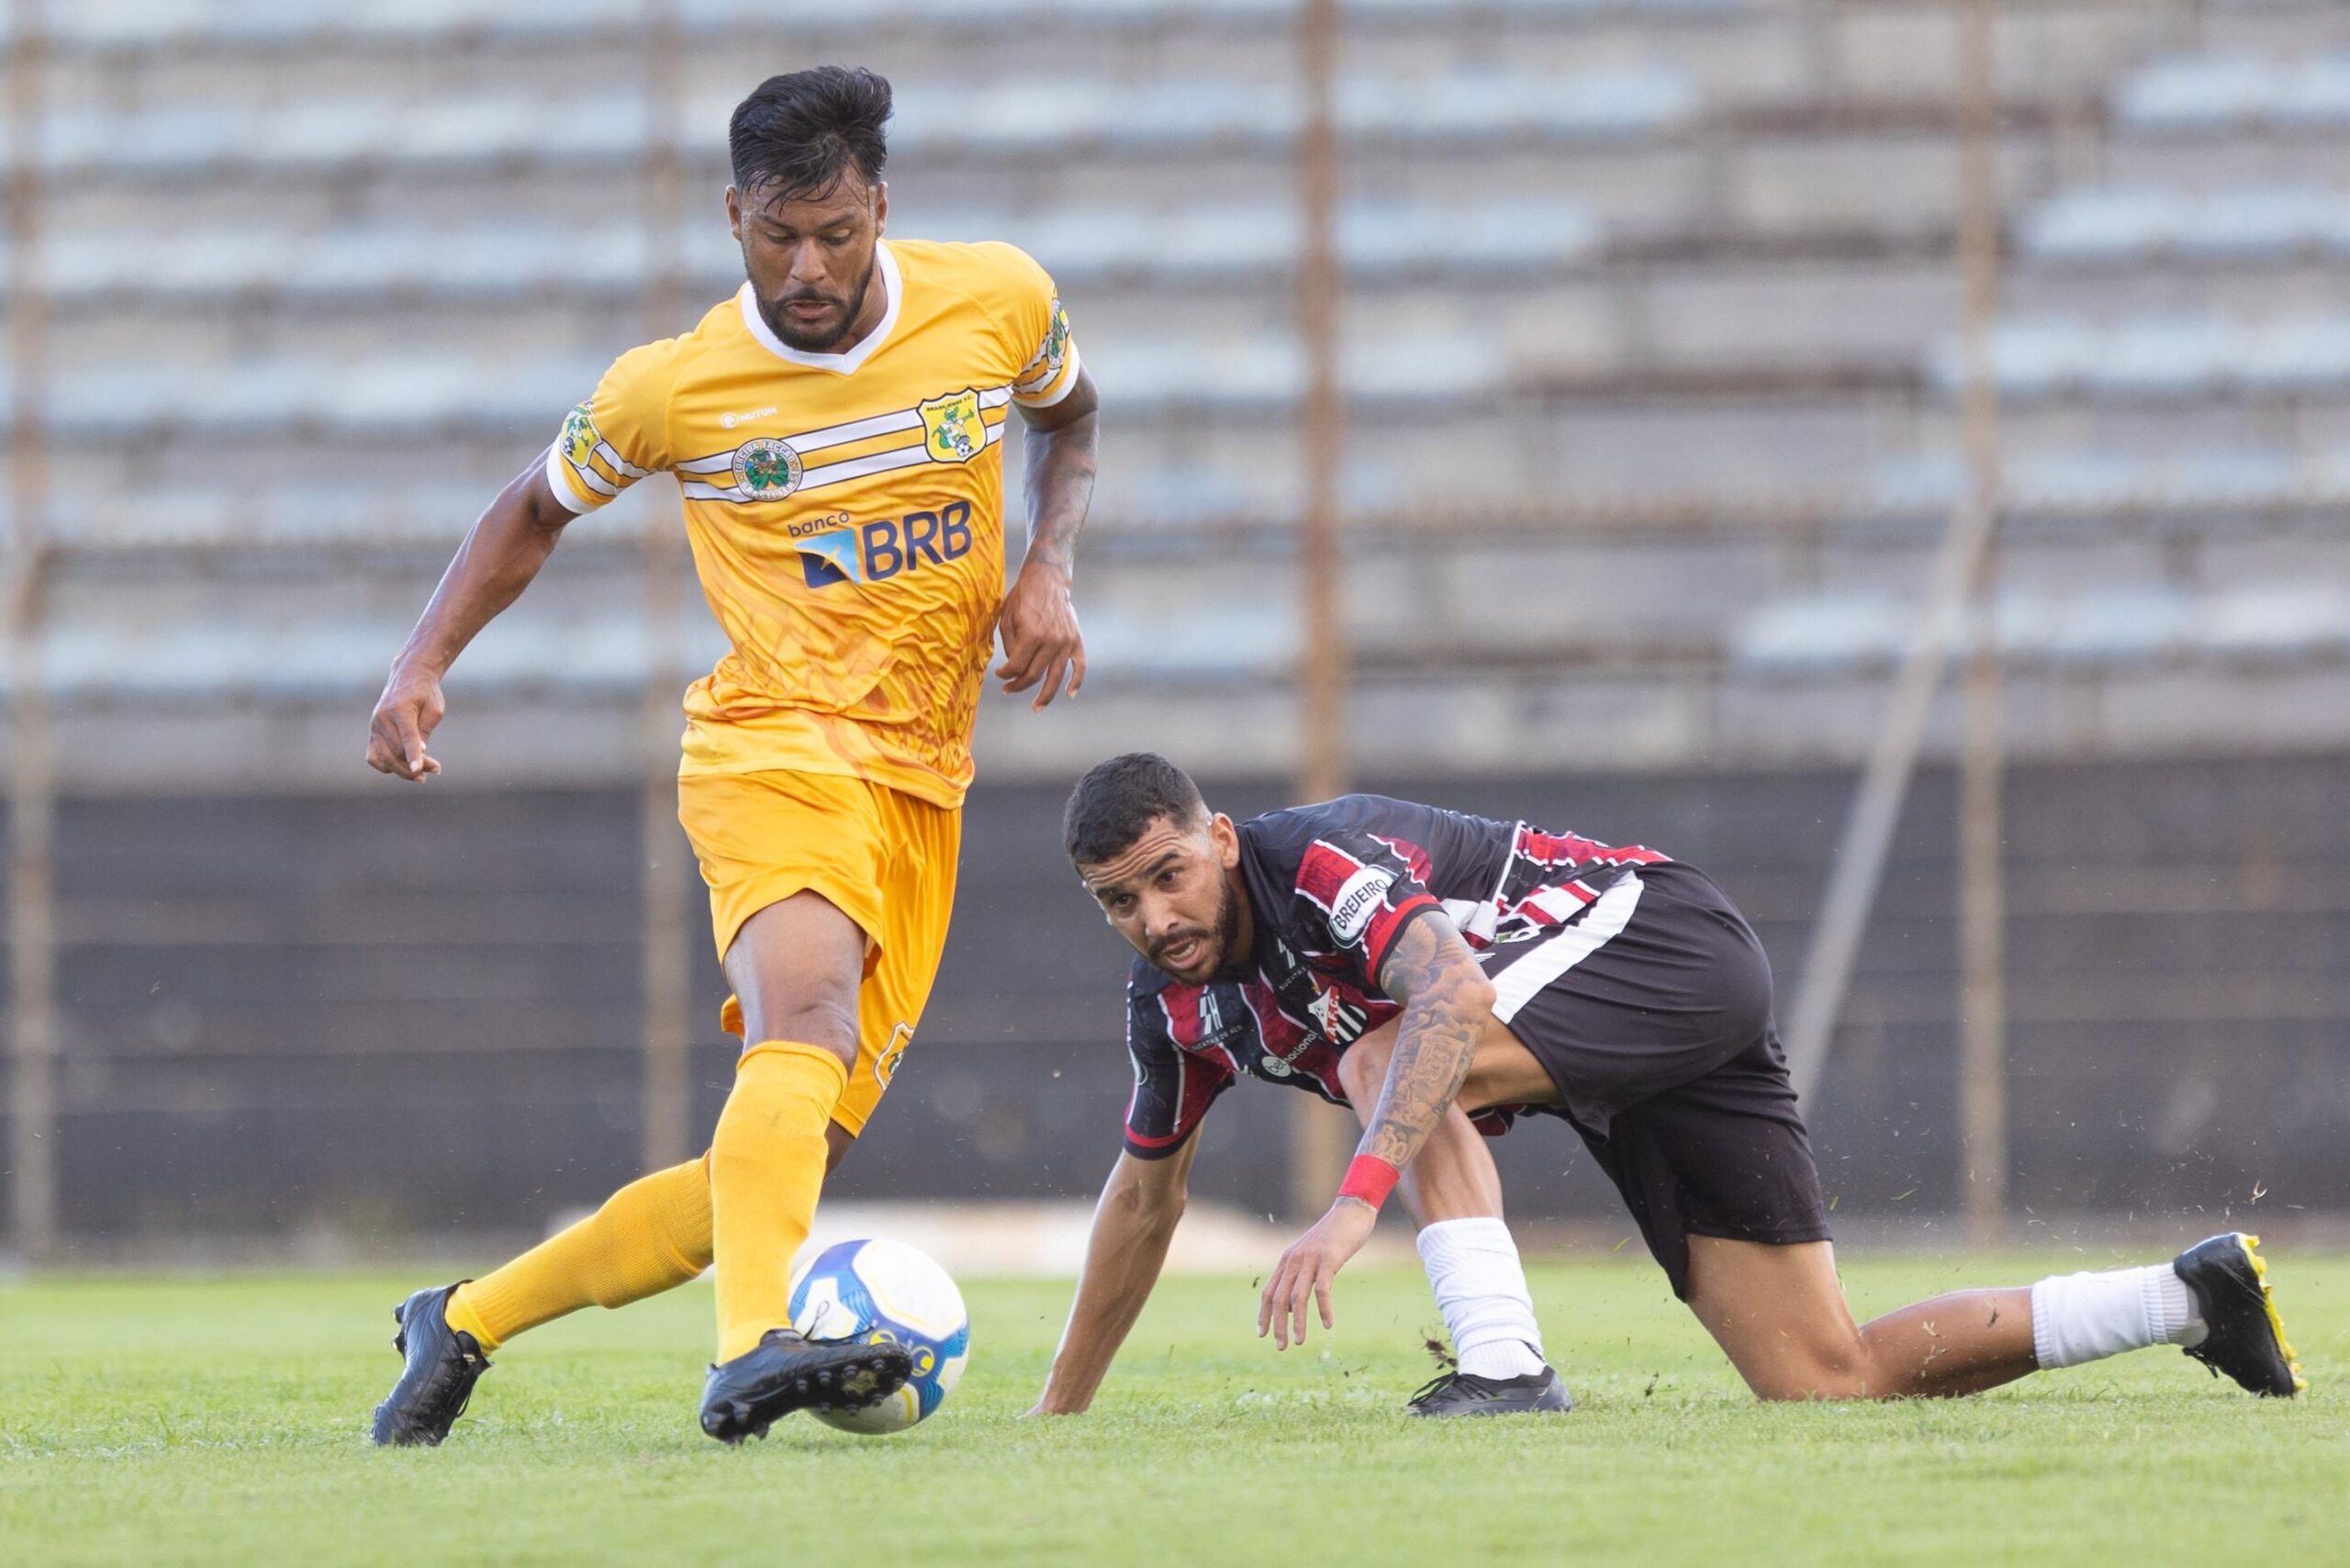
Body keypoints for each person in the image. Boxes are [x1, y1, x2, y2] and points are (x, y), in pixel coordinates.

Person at [365, 66, 1099, 1446]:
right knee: (801, 1029)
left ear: (881, 206)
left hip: (923, 780)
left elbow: (1072, 416)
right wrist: (420, 664)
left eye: (835, 231)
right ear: (733, 217)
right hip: (770, 744)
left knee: (765, 1163)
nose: (807, 267)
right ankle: (755, 1348)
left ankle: (458, 1322)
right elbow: (529, 509)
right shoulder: (679, 386)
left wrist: (1046, 565)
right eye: (777, 235)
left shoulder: (997, 296)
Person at [1035, 753, 2306, 1410]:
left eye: (1168, 875)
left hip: (1660, 938)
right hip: (1624, 1044)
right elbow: (1144, 1205)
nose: (1154, 916)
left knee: (1392, 1042)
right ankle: (2190, 1298)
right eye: (1118, 902)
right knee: (1821, 1378)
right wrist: (1057, 1415)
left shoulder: (1313, 859)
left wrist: (1356, 1205)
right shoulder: (1174, 1011)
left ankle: (1503, 1367)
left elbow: (1450, 1002)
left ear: (1216, 837)